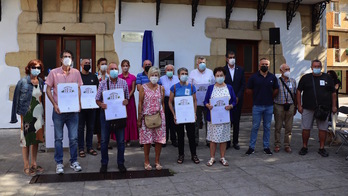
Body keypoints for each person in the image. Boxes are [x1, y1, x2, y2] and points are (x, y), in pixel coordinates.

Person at [46, 50, 83, 174]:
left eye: (69, 57)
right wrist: (54, 104)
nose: (67, 58)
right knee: (58, 138)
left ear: (72, 59)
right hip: (59, 111)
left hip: (73, 112)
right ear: (61, 59)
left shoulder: (76, 73)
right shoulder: (53, 73)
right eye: (65, 57)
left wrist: (78, 103)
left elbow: (78, 89)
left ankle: (73, 161)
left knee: (73, 138)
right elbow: (48, 90)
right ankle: (59, 163)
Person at [10, 59, 45, 176]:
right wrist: (16, 116)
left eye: (39, 68)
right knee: (26, 140)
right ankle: (26, 165)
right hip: (27, 113)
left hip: (38, 113)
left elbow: (41, 97)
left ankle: (34, 163)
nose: (36, 70)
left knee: (36, 139)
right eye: (34, 67)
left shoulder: (40, 81)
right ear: (29, 68)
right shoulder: (23, 82)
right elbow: (15, 99)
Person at [297, 60, 336, 157]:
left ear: (321, 67)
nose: (317, 68)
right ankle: (304, 146)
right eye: (315, 66)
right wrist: (299, 105)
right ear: (311, 67)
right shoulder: (305, 78)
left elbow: (333, 93)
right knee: (306, 128)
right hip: (308, 108)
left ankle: (322, 148)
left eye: (318, 66)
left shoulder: (327, 78)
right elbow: (298, 91)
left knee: (323, 129)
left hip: (323, 108)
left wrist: (334, 106)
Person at [96, 62, 129, 173]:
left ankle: (121, 163)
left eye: (116, 68)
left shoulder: (123, 83)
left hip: (119, 115)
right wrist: (101, 104)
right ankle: (104, 163)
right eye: (112, 69)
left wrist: (125, 101)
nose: (114, 70)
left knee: (120, 141)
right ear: (108, 71)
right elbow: (97, 99)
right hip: (105, 114)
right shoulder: (103, 83)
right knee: (104, 141)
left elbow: (127, 98)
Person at [245, 58, 279, 156]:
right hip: (257, 106)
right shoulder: (253, 77)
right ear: (259, 65)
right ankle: (251, 147)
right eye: (263, 64)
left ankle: (266, 147)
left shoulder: (272, 77)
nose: (264, 66)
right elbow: (248, 89)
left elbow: (276, 89)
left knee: (267, 127)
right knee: (255, 127)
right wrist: (256, 95)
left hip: (269, 106)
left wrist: (271, 96)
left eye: (266, 64)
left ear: (269, 65)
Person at [204, 67, 236, 166]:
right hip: (213, 118)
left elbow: (234, 100)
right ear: (214, 77)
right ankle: (212, 158)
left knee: (223, 138)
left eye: (221, 75)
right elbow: (205, 101)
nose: (219, 77)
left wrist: (231, 106)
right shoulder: (210, 88)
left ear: (224, 76)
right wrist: (208, 105)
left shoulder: (229, 87)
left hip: (225, 117)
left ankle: (222, 157)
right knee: (213, 139)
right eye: (217, 76)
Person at [169, 67, 200, 164]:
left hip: (189, 115)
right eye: (182, 73)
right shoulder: (174, 87)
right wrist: (174, 114)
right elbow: (170, 102)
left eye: (186, 73)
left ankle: (194, 155)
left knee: (191, 136)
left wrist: (194, 113)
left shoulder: (191, 87)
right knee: (180, 136)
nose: (184, 75)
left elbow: (195, 101)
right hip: (179, 116)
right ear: (178, 75)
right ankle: (181, 155)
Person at [138, 67, 166, 170]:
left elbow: (162, 103)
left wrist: (163, 117)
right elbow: (140, 103)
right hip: (147, 117)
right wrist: (139, 117)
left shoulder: (161, 88)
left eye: (156, 75)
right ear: (149, 76)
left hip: (159, 116)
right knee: (147, 141)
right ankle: (146, 161)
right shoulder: (143, 87)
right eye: (152, 75)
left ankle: (157, 161)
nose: (154, 77)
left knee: (159, 140)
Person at [189, 56, 215, 146]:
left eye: (203, 62)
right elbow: (190, 87)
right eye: (200, 62)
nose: (202, 64)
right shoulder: (192, 73)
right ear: (197, 64)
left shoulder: (210, 72)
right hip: (196, 102)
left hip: (208, 102)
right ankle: (196, 140)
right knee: (196, 122)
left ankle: (208, 140)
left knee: (208, 121)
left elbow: (213, 86)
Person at [224, 51, 245, 150]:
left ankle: (235, 141)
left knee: (236, 121)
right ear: (226, 59)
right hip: (226, 100)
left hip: (237, 100)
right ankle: (227, 141)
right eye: (230, 57)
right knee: (228, 121)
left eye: (233, 57)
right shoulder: (223, 70)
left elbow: (242, 85)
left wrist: (238, 97)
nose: (232, 59)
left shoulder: (240, 69)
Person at [273, 64, 297, 153]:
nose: (288, 71)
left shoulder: (293, 81)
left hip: (290, 105)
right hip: (279, 105)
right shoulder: (277, 81)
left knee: (289, 127)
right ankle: (277, 144)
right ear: (281, 71)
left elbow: (295, 94)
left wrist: (296, 106)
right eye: (285, 69)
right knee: (278, 126)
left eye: (288, 69)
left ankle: (287, 145)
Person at [78, 59, 99, 157]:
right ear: (81, 65)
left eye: (89, 63)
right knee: (80, 128)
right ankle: (81, 148)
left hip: (92, 108)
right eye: (85, 63)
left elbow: (97, 91)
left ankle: (90, 147)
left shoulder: (93, 77)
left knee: (90, 128)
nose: (87, 65)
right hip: (81, 108)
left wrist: (95, 103)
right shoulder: (78, 76)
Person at [119, 59, 138, 146]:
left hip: (130, 101)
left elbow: (133, 89)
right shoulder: (118, 77)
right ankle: (122, 137)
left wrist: (127, 97)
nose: (125, 67)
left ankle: (129, 139)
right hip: (121, 101)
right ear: (121, 67)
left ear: (129, 67)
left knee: (130, 118)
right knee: (121, 118)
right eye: (123, 66)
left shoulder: (133, 77)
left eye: (127, 65)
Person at [160, 64, 179, 147]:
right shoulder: (161, 79)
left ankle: (174, 139)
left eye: (171, 70)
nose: (169, 71)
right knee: (165, 121)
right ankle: (164, 139)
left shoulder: (177, 78)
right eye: (168, 70)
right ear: (165, 71)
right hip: (165, 99)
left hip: (175, 100)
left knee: (173, 120)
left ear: (173, 71)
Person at [95, 58, 110, 150]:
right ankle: (100, 142)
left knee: (108, 123)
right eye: (102, 64)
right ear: (98, 66)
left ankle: (107, 142)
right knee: (99, 124)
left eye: (105, 64)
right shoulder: (95, 77)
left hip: (108, 103)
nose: (104, 65)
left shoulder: (110, 76)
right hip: (98, 102)